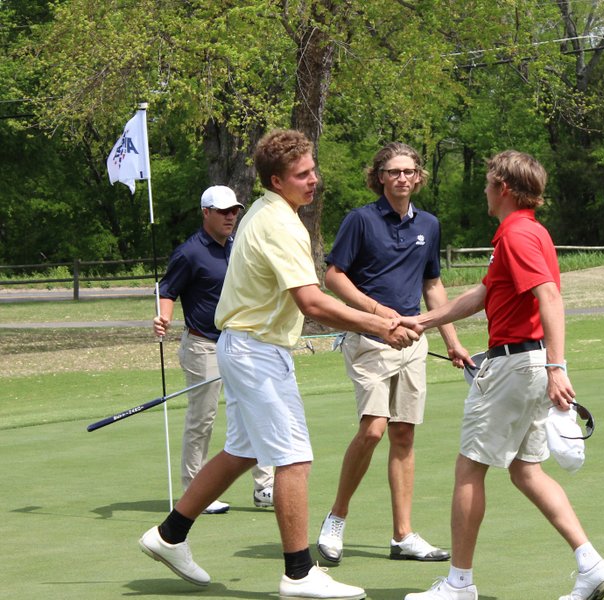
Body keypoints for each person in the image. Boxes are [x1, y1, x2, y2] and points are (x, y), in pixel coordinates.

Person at [139, 129, 420, 599]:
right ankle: (297, 573)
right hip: (255, 351)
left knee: (244, 451)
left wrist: (375, 312)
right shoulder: (281, 224)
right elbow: (311, 301)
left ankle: (168, 535)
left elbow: (313, 298)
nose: (314, 181)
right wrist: (379, 327)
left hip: (248, 346)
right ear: (276, 179)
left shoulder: (272, 211)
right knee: (294, 457)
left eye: (313, 170)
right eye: (302, 174)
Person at [399, 150, 604, 600]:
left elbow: (550, 298)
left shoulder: (517, 235)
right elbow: (482, 295)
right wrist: (420, 322)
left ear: (503, 188)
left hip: (518, 365)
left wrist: (558, 367)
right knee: (526, 471)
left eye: (487, 183)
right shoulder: (527, 232)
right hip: (528, 363)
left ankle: (459, 584)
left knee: (469, 470)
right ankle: (591, 565)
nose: (484, 190)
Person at [316, 142, 471, 565]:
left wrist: (451, 340)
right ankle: (336, 518)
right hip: (369, 339)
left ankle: (402, 535)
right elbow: (334, 276)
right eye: (393, 171)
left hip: (413, 341)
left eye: (409, 171)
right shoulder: (360, 220)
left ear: (418, 177)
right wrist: (379, 314)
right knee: (373, 429)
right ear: (380, 176)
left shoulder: (430, 225)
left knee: (404, 434)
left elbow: (432, 285)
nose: (402, 177)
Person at [154, 185, 274, 514]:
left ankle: (265, 486)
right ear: (205, 212)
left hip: (239, 344)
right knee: (202, 420)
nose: (231, 217)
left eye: (234, 210)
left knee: (255, 410)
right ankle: (196, 491)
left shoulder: (237, 247)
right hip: (202, 346)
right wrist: (164, 318)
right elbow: (168, 290)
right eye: (223, 211)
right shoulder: (190, 252)